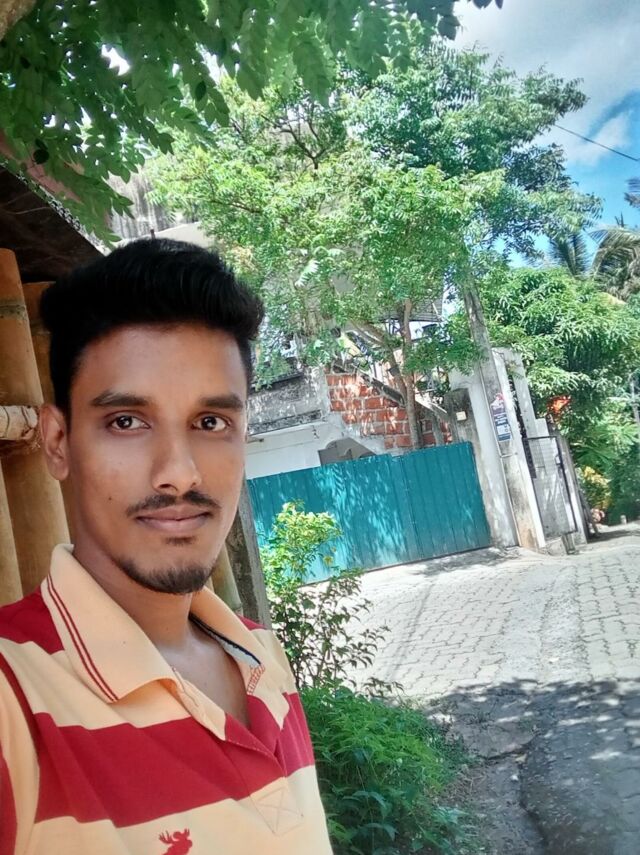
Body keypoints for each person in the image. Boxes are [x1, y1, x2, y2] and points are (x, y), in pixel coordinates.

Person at [0, 239, 333, 854]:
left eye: (211, 423)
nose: (179, 473)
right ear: (57, 442)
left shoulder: (262, 658)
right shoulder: (14, 699)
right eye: (127, 421)